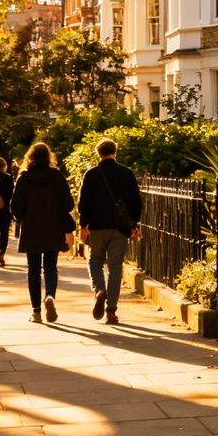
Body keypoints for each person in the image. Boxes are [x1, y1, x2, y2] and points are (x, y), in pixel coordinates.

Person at [78, 137, 142, 325]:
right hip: (120, 228)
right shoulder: (126, 173)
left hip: (97, 226)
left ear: (98, 153)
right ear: (115, 151)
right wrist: (134, 223)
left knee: (95, 261)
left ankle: (99, 290)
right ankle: (111, 311)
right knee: (115, 268)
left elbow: (84, 202)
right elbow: (136, 201)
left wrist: (84, 224)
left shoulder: (91, 174)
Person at [10, 142, 76, 324]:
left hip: (31, 229)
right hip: (53, 228)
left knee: (33, 270)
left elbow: (15, 207)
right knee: (50, 267)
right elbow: (69, 204)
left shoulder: (24, 178)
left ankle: (36, 312)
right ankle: (50, 296)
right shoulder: (57, 176)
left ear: (30, 157)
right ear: (49, 157)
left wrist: (23, 218)